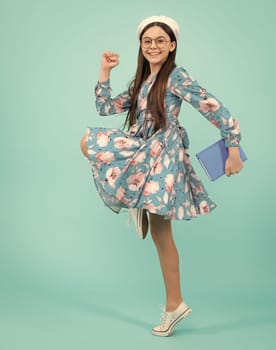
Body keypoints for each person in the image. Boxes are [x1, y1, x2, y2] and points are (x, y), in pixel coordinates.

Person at [80, 15, 244, 337]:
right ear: (141, 47)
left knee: (161, 234)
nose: (153, 46)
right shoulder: (142, 81)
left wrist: (233, 146)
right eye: (147, 41)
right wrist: (105, 71)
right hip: (144, 150)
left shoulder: (177, 77)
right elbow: (103, 108)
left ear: (171, 46)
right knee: (89, 142)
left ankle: (174, 304)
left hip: (163, 155)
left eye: (159, 41)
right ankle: (175, 303)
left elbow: (215, 108)